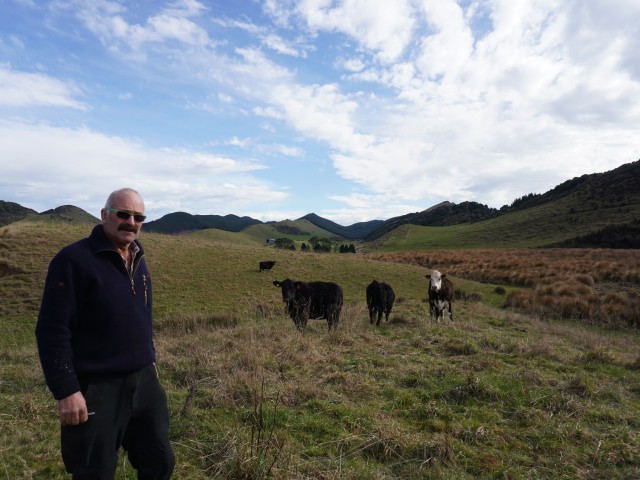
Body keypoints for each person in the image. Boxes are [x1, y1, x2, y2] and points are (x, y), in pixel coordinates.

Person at [36, 188, 175, 479]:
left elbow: (140, 316)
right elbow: (52, 330)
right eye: (123, 214)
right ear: (104, 215)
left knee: (159, 461)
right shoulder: (73, 260)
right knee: (94, 472)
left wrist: (149, 361)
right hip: (97, 387)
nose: (131, 222)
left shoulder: (138, 257)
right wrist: (67, 391)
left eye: (138, 216)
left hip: (144, 382)